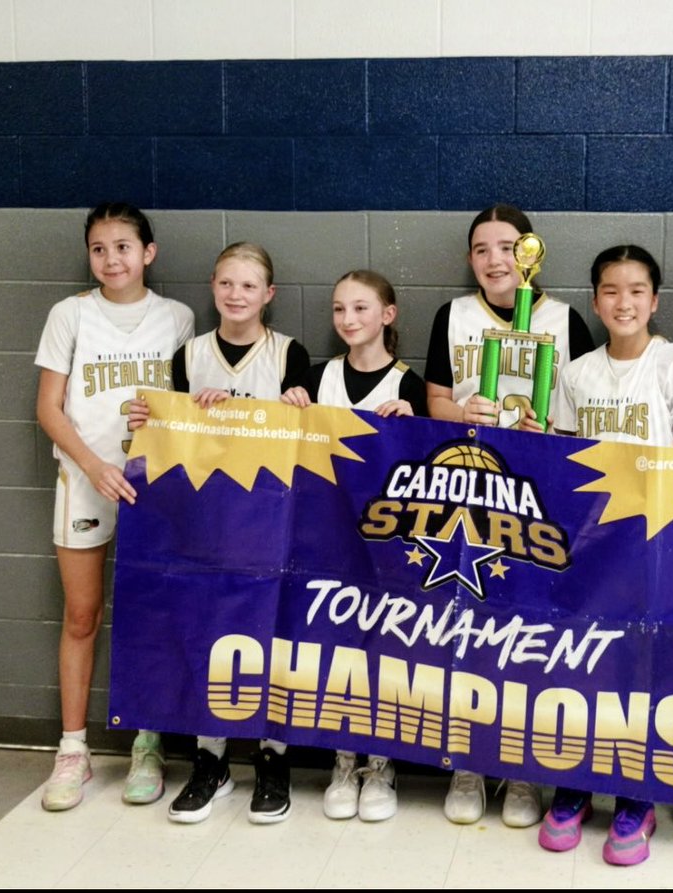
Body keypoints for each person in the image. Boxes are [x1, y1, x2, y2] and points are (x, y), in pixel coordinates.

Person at [526, 245, 673, 866]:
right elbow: (564, 458)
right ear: (595, 300)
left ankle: (637, 796)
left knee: (643, 666)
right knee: (583, 662)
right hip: (590, 547)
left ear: (654, 301)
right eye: (610, 290)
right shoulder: (576, 373)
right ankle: (574, 785)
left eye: (636, 291)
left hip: (654, 545)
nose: (623, 302)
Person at [424, 203, 595, 827]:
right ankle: (469, 763)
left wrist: (549, 429)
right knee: (465, 625)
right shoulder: (453, 316)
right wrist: (460, 413)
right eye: (481, 249)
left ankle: (522, 769)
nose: (495, 259)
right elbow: (435, 398)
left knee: (528, 629)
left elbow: (584, 409)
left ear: (530, 252)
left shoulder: (565, 319)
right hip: (467, 485)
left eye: (506, 246)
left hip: (538, 496)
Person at [129, 242, 310, 825]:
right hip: (205, 523)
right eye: (227, 283)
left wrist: (294, 406)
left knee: (272, 636)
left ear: (268, 295)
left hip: (270, 524)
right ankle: (210, 760)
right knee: (210, 632)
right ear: (212, 286)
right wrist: (157, 418)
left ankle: (273, 758)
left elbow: (306, 438)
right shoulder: (190, 355)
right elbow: (172, 438)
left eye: (249, 285)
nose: (236, 294)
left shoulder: (290, 354)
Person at [34, 202, 195, 811]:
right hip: (86, 479)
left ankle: (147, 745)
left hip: (153, 485)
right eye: (99, 248)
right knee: (82, 614)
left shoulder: (177, 317)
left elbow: (184, 404)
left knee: (149, 612)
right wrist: (94, 465)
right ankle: (72, 750)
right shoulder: (69, 314)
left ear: (147, 253)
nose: (111, 259)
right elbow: (49, 408)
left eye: (123, 246)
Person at [285, 269, 426, 821]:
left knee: (385, 648)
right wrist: (287, 405)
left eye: (361, 308)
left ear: (387, 315)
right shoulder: (316, 379)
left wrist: (415, 424)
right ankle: (344, 758)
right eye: (339, 308)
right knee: (337, 646)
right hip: (328, 537)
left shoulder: (409, 385)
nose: (348, 319)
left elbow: (428, 472)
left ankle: (382, 761)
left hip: (389, 544)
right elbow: (284, 447)